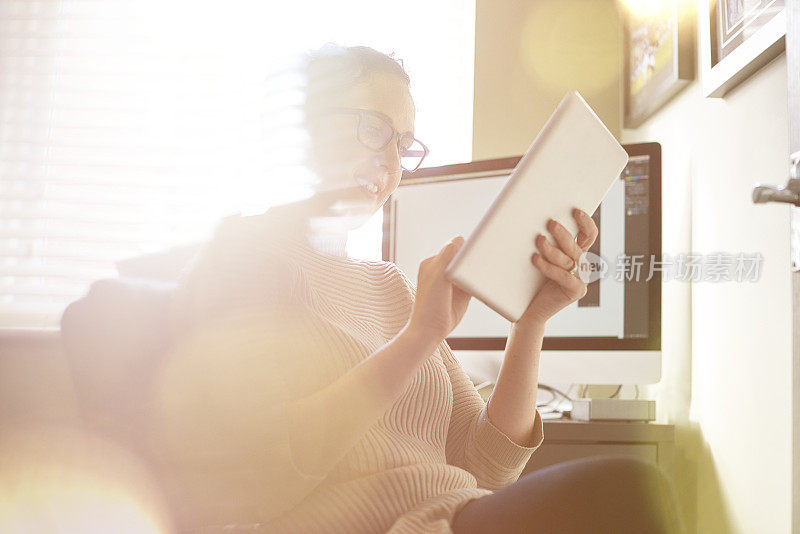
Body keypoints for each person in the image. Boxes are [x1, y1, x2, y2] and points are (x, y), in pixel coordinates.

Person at [147, 44, 684, 534]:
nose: (390, 161)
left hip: (451, 514)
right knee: (629, 492)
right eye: (373, 129)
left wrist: (530, 321)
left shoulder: (388, 285)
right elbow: (258, 473)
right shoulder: (239, 259)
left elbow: (487, 466)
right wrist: (417, 338)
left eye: (403, 145)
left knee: (631, 493)